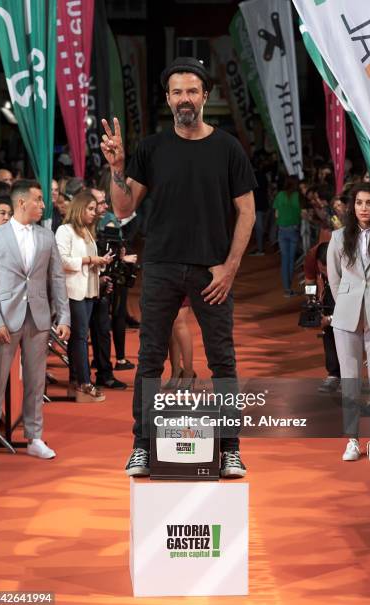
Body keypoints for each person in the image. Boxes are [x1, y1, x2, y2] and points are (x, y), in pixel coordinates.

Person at [101, 57, 256, 478]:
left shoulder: (227, 148)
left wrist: (230, 268)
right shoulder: (151, 148)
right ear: (168, 99)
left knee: (223, 361)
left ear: (205, 96)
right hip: (162, 267)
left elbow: (247, 212)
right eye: (176, 92)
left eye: (191, 91)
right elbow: (123, 207)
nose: (184, 99)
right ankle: (142, 447)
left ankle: (229, 450)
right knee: (150, 359)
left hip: (212, 271)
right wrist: (118, 168)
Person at [0, 179, 70, 463]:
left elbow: (57, 278)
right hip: (5, 322)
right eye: (38, 199)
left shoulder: (46, 237)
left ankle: (34, 437)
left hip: (39, 319)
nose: (43, 205)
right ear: (21, 202)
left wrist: (65, 316)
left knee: (36, 382)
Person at [327, 182, 370, 461]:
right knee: (351, 380)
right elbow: (334, 278)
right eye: (359, 203)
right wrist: (346, 302)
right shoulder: (338, 237)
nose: (363, 208)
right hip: (346, 317)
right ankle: (352, 439)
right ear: (352, 207)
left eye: (369, 203)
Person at [55, 190, 114, 402]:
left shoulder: (87, 232)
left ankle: (75, 383)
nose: (94, 213)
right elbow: (61, 261)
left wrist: (100, 266)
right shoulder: (65, 230)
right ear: (79, 208)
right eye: (90, 209)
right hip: (72, 292)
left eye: (94, 209)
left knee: (79, 338)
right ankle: (84, 383)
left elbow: (88, 262)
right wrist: (90, 259)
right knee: (80, 338)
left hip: (89, 290)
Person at [89, 188, 127, 389]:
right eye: (98, 203)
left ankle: (105, 373)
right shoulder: (76, 228)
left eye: (104, 202)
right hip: (81, 287)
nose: (104, 207)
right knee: (81, 334)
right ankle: (79, 379)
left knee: (103, 329)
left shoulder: (109, 223)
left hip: (103, 286)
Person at [304, 242, 340, 393]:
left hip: (345, 284)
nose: (325, 272)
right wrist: (312, 302)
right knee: (328, 330)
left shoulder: (343, 256)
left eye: (328, 269)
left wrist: (332, 318)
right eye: (322, 268)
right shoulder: (311, 256)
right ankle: (334, 375)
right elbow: (310, 281)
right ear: (317, 262)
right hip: (328, 287)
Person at [273, 175, 301, 297]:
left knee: (285, 260)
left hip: (282, 230)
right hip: (293, 230)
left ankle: (287, 289)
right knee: (291, 260)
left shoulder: (280, 195)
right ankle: (288, 289)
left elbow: (276, 214)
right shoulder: (297, 196)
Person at [164, 297, 195, 391]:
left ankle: (189, 373)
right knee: (171, 326)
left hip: (182, 284)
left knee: (179, 323)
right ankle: (176, 370)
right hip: (165, 285)